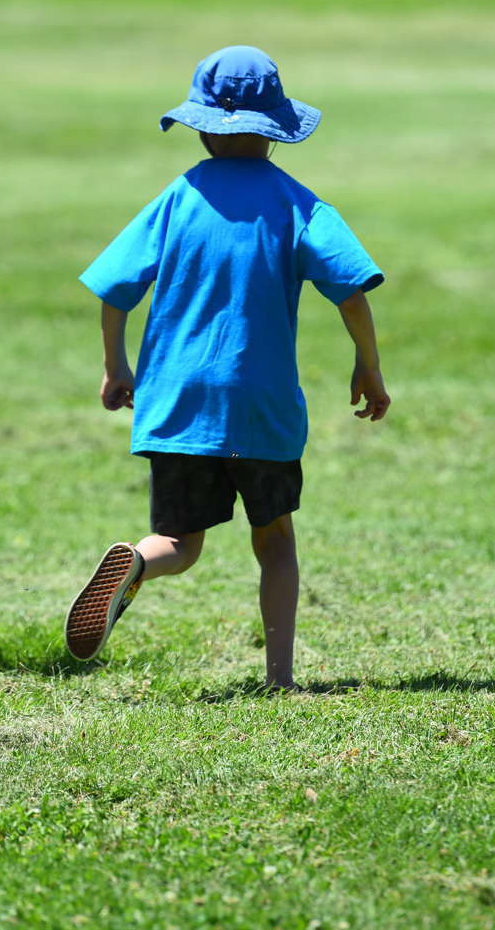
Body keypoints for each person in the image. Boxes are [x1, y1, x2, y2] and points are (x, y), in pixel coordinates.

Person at [66, 45, 391, 691]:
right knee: (273, 541)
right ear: (276, 130)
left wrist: (115, 365)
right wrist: (368, 365)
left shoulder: (176, 198)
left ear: (201, 127)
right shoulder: (297, 203)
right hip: (259, 403)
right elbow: (352, 292)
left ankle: (137, 561)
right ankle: (279, 679)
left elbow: (113, 289)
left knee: (180, 542)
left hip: (177, 403)